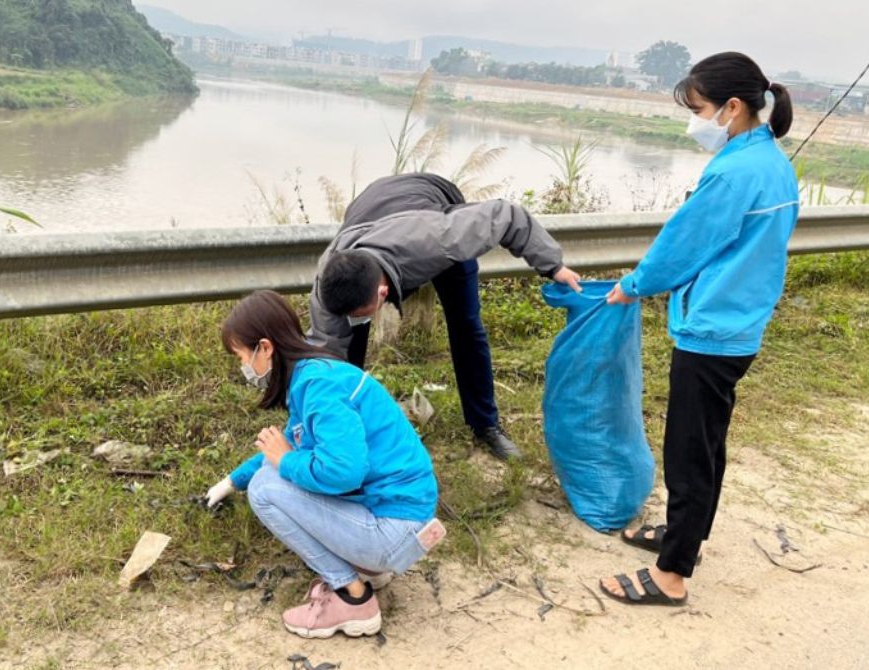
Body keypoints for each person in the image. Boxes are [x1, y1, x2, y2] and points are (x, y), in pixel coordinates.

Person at [599, 52, 800, 606]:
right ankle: (686, 537)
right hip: (741, 321)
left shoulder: (735, 172)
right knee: (706, 445)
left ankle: (671, 576)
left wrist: (634, 284)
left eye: (699, 109)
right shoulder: (770, 161)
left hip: (714, 328)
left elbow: (685, 243)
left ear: (732, 108)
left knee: (689, 450)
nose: (695, 120)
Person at [203, 290, 445, 638]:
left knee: (265, 490)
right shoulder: (313, 377)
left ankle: (352, 596)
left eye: (242, 356)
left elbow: (343, 470)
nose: (243, 368)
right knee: (267, 476)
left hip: (394, 528)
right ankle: (368, 568)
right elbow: (284, 449)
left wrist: (285, 462)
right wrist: (231, 481)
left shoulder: (318, 389)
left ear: (265, 348)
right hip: (401, 515)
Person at [308, 173, 582, 461]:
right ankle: (349, 423)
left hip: (431, 205)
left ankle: (485, 425)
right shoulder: (330, 282)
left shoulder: (441, 238)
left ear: (382, 292)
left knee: (466, 326)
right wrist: (317, 415)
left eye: (365, 311)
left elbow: (507, 215)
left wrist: (554, 267)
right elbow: (326, 356)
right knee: (348, 342)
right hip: (370, 207)